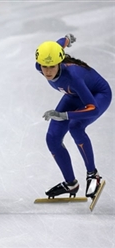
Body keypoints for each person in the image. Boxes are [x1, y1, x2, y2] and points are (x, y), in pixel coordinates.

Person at [35, 34, 112, 198]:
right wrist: (67, 39)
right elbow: (57, 46)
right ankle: (71, 184)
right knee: (52, 138)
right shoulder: (42, 63)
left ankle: (93, 175)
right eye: (44, 66)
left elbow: (94, 109)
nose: (47, 71)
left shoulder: (73, 77)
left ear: (60, 63)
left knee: (76, 127)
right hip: (73, 95)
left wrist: (64, 115)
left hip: (98, 95)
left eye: (52, 66)